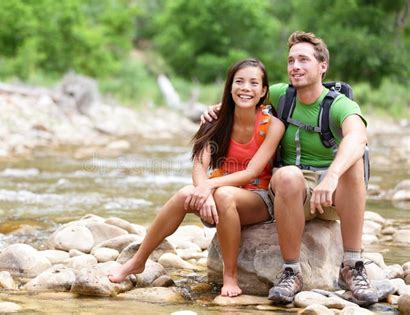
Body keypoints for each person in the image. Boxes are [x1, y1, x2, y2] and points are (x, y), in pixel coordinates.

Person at [201, 31, 377, 305]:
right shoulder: (283, 95)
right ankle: (291, 272)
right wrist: (216, 108)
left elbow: (357, 137)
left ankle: (353, 266)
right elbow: (246, 93)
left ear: (322, 66)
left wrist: (331, 176)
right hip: (290, 192)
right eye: (291, 60)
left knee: (354, 160)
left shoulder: (339, 105)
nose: (295, 66)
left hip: (332, 192)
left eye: (303, 60)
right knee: (287, 174)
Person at [108, 58, 284, 297]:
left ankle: (230, 276)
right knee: (184, 193)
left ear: (263, 91)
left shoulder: (273, 126)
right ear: (230, 87)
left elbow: (252, 171)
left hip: (258, 198)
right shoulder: (215, 120)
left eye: (254, 83)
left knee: (223, 195)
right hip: (219, 193)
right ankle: (137, 261)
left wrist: (210, 187)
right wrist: (205, 192)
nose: (246, 88)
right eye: (239, 81)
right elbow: (199, 166)